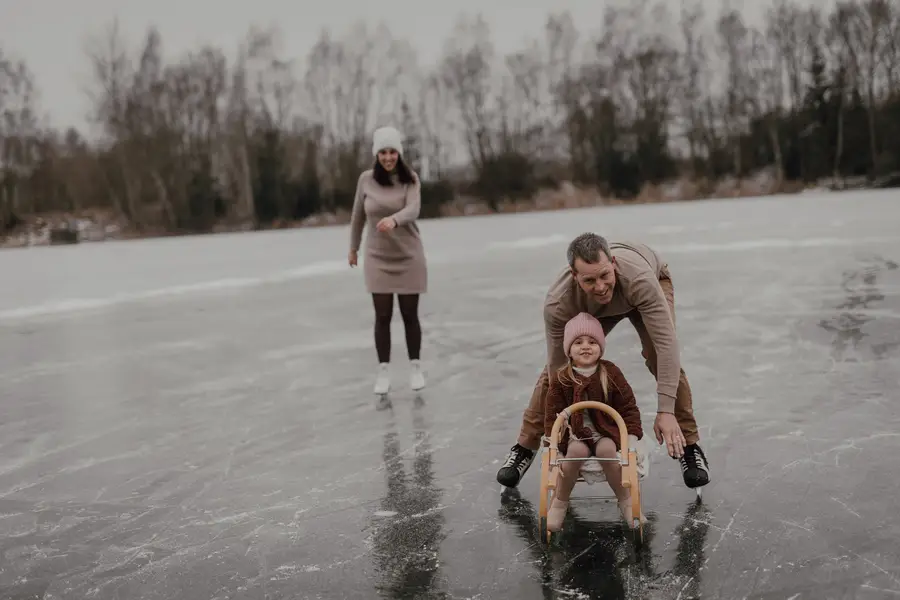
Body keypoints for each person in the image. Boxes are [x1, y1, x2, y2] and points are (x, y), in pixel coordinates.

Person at [496, 233, 711, 490]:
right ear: (574, 277)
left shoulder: (639, 280)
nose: (599, 286)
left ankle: (689, 444)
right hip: (592, 309)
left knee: (658, 355)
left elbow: (667, 347)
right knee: (564, 366)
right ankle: (524, 446)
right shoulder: (559, 302)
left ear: (614, 263)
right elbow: (557, 368)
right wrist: (557, 426)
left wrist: (665, 411)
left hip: (646, 285)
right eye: (589, 280)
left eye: (604, 275)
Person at [545, 312, 646, 532]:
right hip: (576, 434)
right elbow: (552, 415)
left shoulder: (610, 373)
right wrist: (555, 447)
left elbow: (628, 407)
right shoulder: (562, 378)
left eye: (592, 342)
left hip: (606, 432)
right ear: (568, 349)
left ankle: (625, 500)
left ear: (601, 346)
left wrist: (631, 436)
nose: (585, 347)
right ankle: (560, 502)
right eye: (578, 342)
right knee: (574, 454)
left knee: (608, 451)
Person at [348, 126, 427, 395]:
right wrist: (353, 248)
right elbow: (358, 216)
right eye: (383, 152)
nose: (388, 157)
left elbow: (414, 209)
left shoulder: (410, 179)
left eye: (393, 151)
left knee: (409, 315)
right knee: (382, 315)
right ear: (376, 154)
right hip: (376, 256)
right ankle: (383, 371)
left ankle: (415, 367)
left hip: (408, 255)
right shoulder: (365, 180)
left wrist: (395, 219)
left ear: (399, 153)